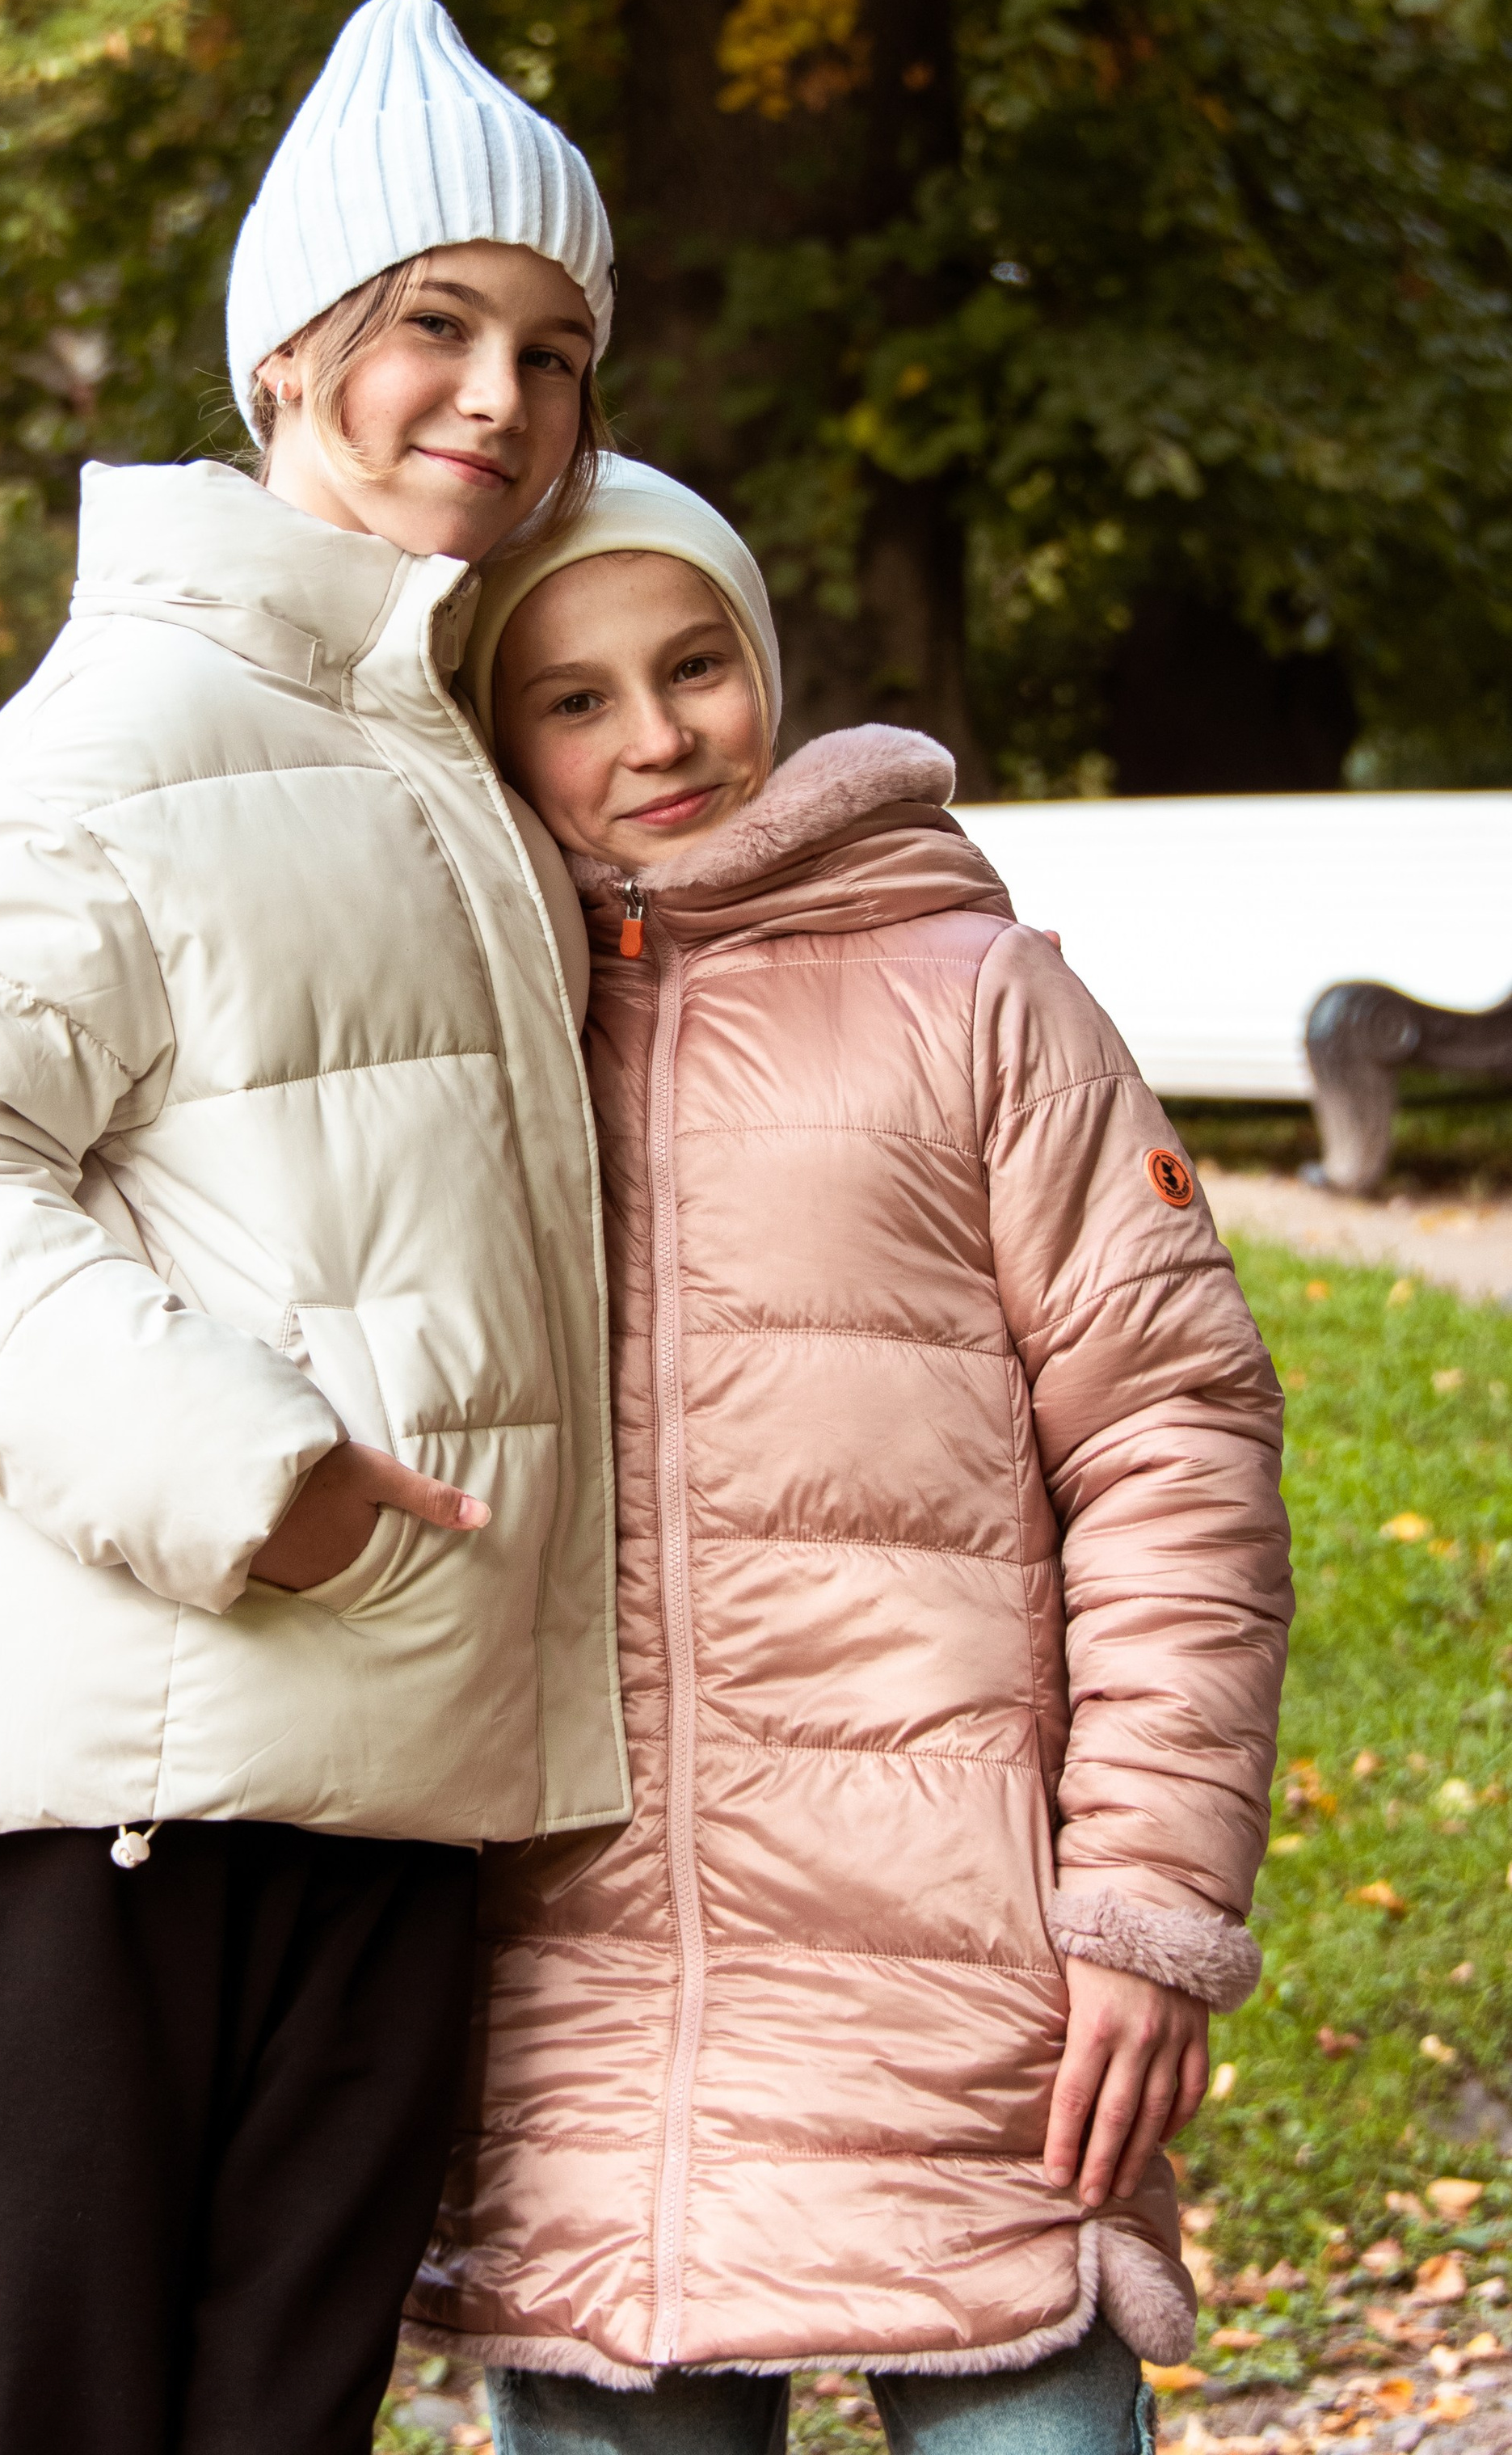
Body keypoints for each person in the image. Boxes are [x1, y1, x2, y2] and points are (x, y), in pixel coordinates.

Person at [0, 0, 634, 2455]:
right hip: (109, 1805)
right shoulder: (137, 724)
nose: (499, 394)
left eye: (553, 351)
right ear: (287, 352)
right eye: (433, 323)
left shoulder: (430, 742)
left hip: (374, 1780)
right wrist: (262, 1478)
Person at [394, 461, 1291, 2454]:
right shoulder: (467, 1020)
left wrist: (1142, 1902)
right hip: (580, 2023)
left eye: (693, 664)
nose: (654, 736)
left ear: (761, 666)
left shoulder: (983, 1002)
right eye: (573, 697)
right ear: (495, 733)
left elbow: (1173, 1448)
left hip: (973, 2008)